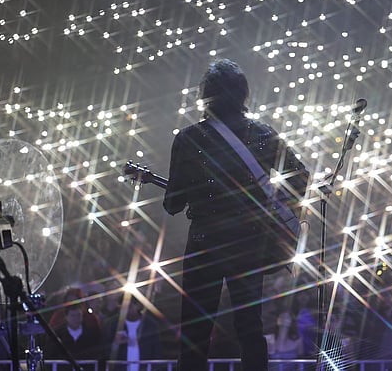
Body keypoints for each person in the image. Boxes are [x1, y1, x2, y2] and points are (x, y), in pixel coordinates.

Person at [163, 59, 310, 371]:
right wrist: (272, 205)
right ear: (243, 94)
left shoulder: (189, 139)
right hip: (249, 243)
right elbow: (300, 176)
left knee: (195, 332)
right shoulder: (262, 133)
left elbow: (172, 204)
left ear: (205, 96)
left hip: (204, 243)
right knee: (250, 329)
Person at [104, 295, 162, 370]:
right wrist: (115, 343)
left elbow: (156, 352)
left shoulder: (150, 325)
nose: (125, 310)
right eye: (122, 308)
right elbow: (104, 352)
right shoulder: (112, 325)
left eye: (129, 307)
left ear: (138, 306)